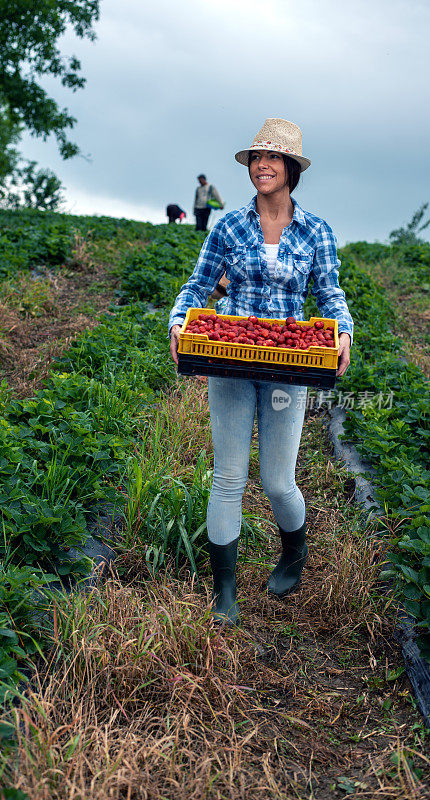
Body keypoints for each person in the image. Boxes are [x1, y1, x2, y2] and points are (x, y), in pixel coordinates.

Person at [169, 118, 353, 625]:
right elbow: (196, 286)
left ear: (291, 168)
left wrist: (342, 332)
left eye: (272, 158)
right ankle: (223, 591)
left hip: (289, 366)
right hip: (229, 355)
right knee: (228, 477)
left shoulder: (316, 231)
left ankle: (293, 552)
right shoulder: (229, 226)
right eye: (255, 158)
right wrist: (179, 323)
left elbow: (331, 295)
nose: (262, 166)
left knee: (276, 481)